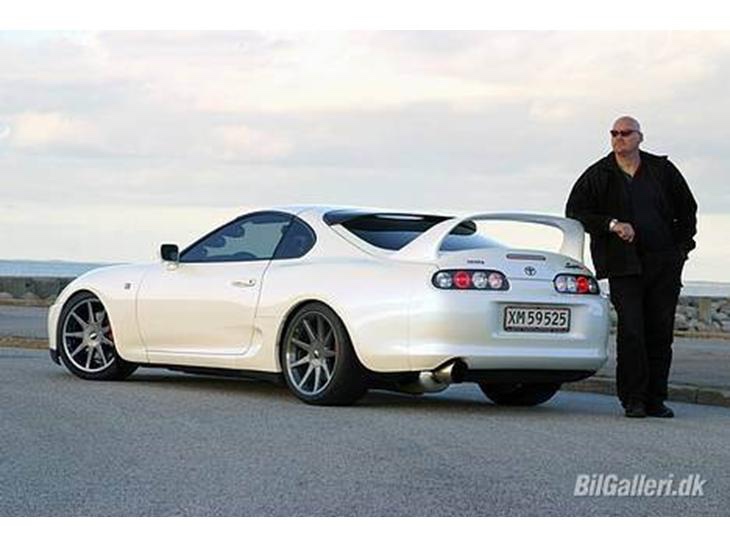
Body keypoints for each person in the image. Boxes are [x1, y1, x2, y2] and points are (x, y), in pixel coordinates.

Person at [565, 116, 698, 418]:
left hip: (663, 263)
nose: (619, 138)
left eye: (626, 133)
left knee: (660, 332)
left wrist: (681, 249)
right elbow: (576, 212)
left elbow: (687, 208)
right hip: (623, 265)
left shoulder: (661, 170)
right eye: (614, 133)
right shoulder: (599, 174)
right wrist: (611, 224)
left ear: (640, 137)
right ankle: (634, 399)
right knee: (632, 331)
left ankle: (656, 399)